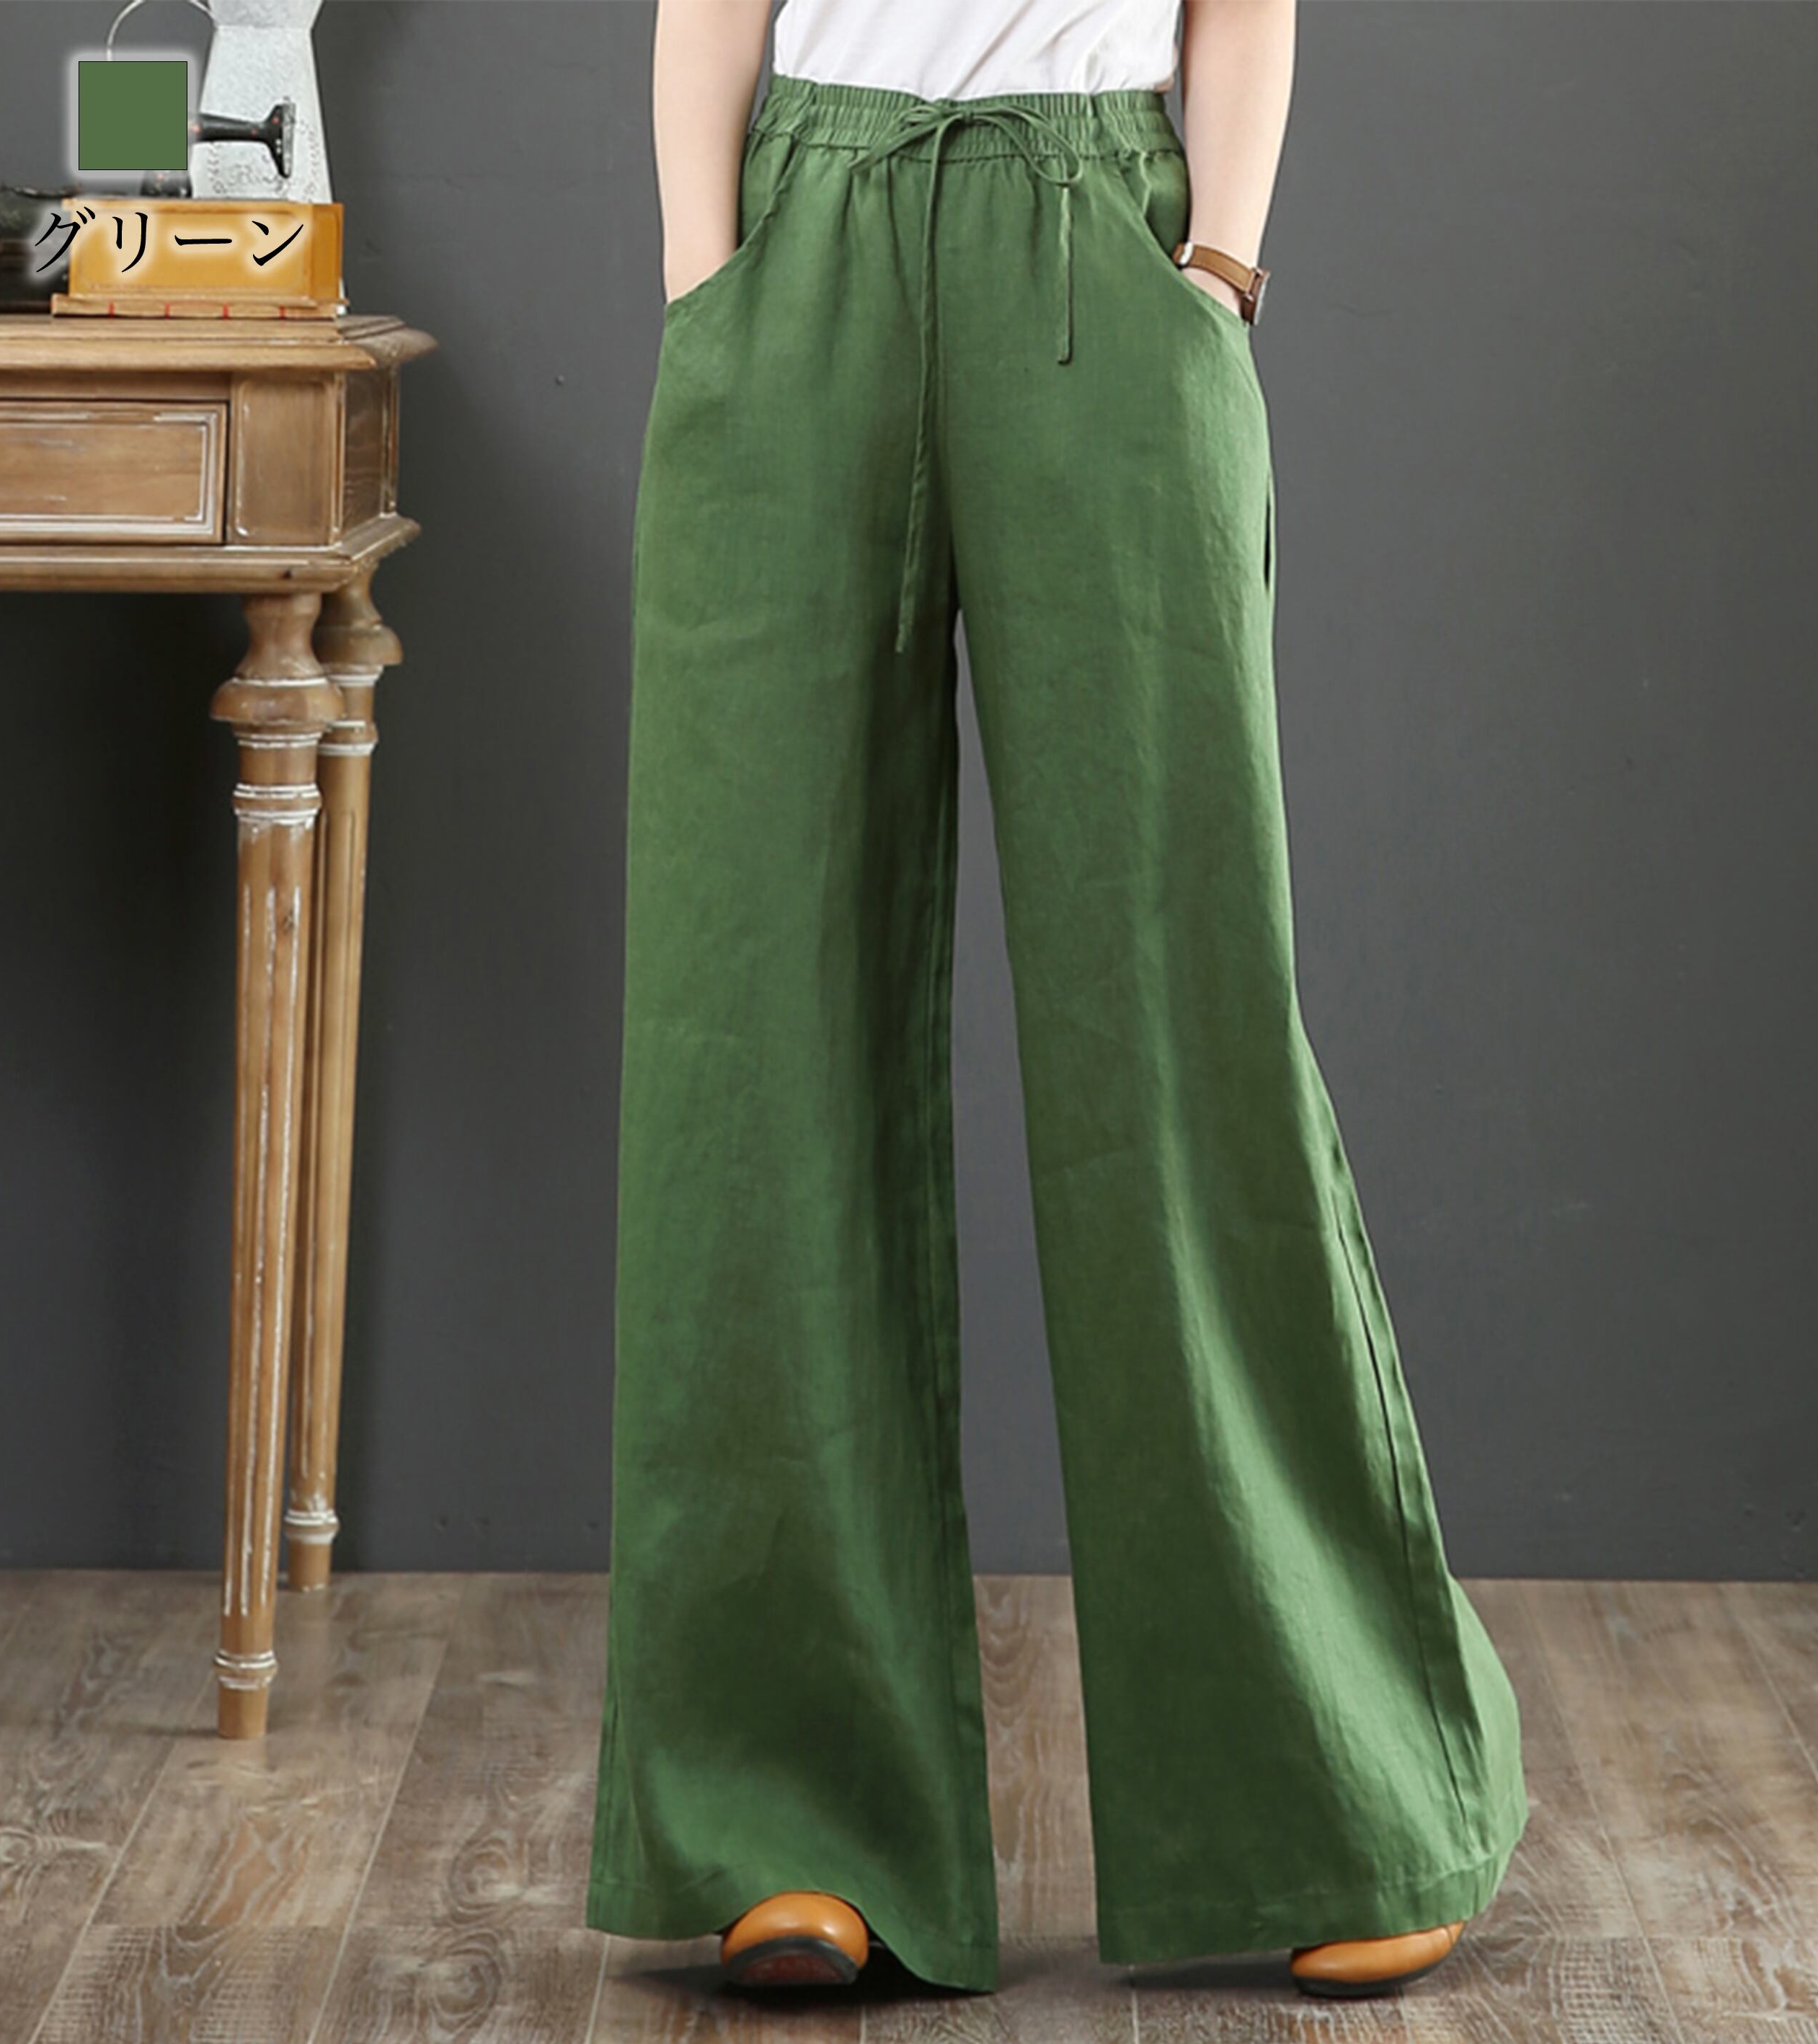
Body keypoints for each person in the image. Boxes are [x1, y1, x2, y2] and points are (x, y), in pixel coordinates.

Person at [584, 0, 1529, 2004]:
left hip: (1101, 232)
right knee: (752, 1031)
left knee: (1177, 1025)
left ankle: (1332, 1789)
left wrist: (1218, 268)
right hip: (801, 245)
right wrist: (708, 284)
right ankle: (790, 1819)